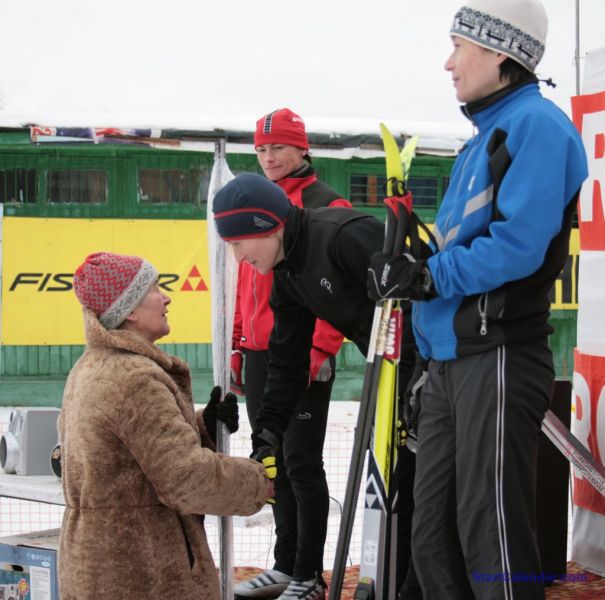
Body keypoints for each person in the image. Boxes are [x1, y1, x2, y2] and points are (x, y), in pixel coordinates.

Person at [366, 1, 588, 597]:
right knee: (432, 531)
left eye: (459, 47)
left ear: (499, 51)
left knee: (490, 531)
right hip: (451, 355)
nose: (449, 63)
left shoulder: (535, 127)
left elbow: (516, 244)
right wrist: (407, 265)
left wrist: (430, 278)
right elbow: (453, 243)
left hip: (496, 350)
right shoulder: (481, 140)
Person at [213, 173, 421, 599]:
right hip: (392, 373)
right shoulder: (288, 274)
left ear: (265, 225)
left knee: (420, 489)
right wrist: (268, 432)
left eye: (238, 243)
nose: (237, 258)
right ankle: (398, 586)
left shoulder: (340, 235)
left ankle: (419, 586)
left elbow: (421, 292)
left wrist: (420, 383)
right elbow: (287, 361)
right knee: (397, 488)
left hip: (435, 368)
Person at [58, 251, 274, 600]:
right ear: (129, 310)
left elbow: (129, 463)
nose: (166, 296)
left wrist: (204, 427)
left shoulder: (91, 368)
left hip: (100, 564)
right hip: (143, 570)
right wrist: (260, 483)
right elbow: (185, 479)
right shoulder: (133, 379)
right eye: (155, 289)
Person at [232, 108, 352, 600]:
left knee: (302, 463)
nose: (268, 158)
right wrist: (240, 343)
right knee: (272, 460)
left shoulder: (326, 202)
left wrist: (321, 347)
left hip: (304, 353)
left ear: (302, 148)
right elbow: (245, 278)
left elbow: (337, 287)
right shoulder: (257, 200)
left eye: (277, 147)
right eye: (261, 150)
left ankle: (309, 575)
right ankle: (284, 566)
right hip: (261, 352)